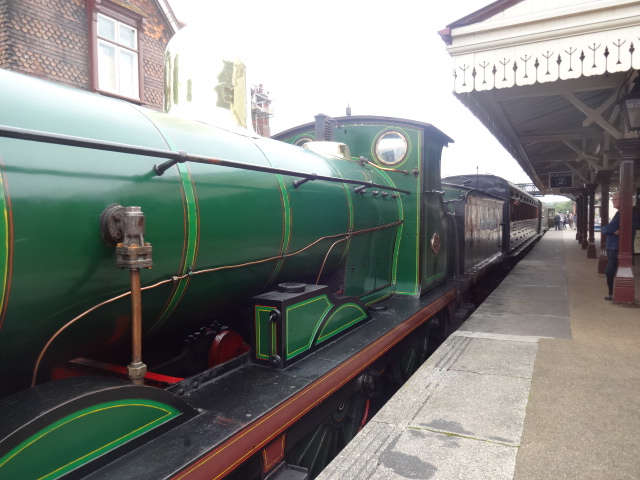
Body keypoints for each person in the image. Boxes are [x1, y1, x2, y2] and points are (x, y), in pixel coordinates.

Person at [601, 193, 639, 300]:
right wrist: (609, 230)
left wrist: (608, 230)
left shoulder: (625, 213)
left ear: (623, 200)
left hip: (616, 247)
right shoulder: (621, 213)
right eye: (612, 199)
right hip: (613, 246)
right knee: (612, 270)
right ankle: (612, 293)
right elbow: (608, 229)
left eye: (615, 199)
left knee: (610, 271)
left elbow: (607, 229)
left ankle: (613, 293)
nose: (613, 201)